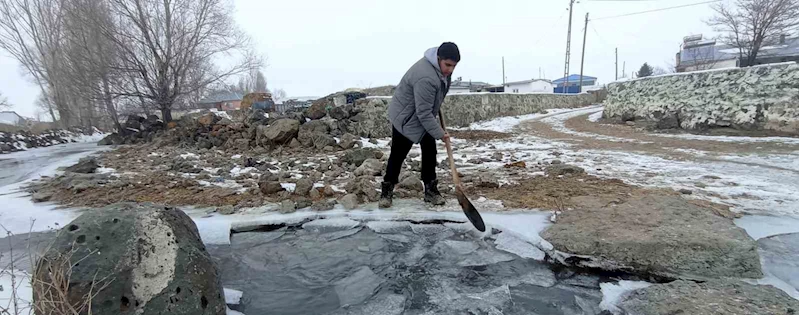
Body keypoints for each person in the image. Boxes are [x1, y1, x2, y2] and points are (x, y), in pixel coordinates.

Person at [379, 42, 460, 208]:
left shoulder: (441, 72)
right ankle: (387, 190)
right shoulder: (426, 77)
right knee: (398, 153)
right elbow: (422, 113)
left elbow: (430, 103)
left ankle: (430, 190)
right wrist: (440, 133)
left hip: (422, 114)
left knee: (430, 150)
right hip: (406, 118)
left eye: (454, 66)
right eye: (448, 65)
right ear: (438, 59)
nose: (450, 70)